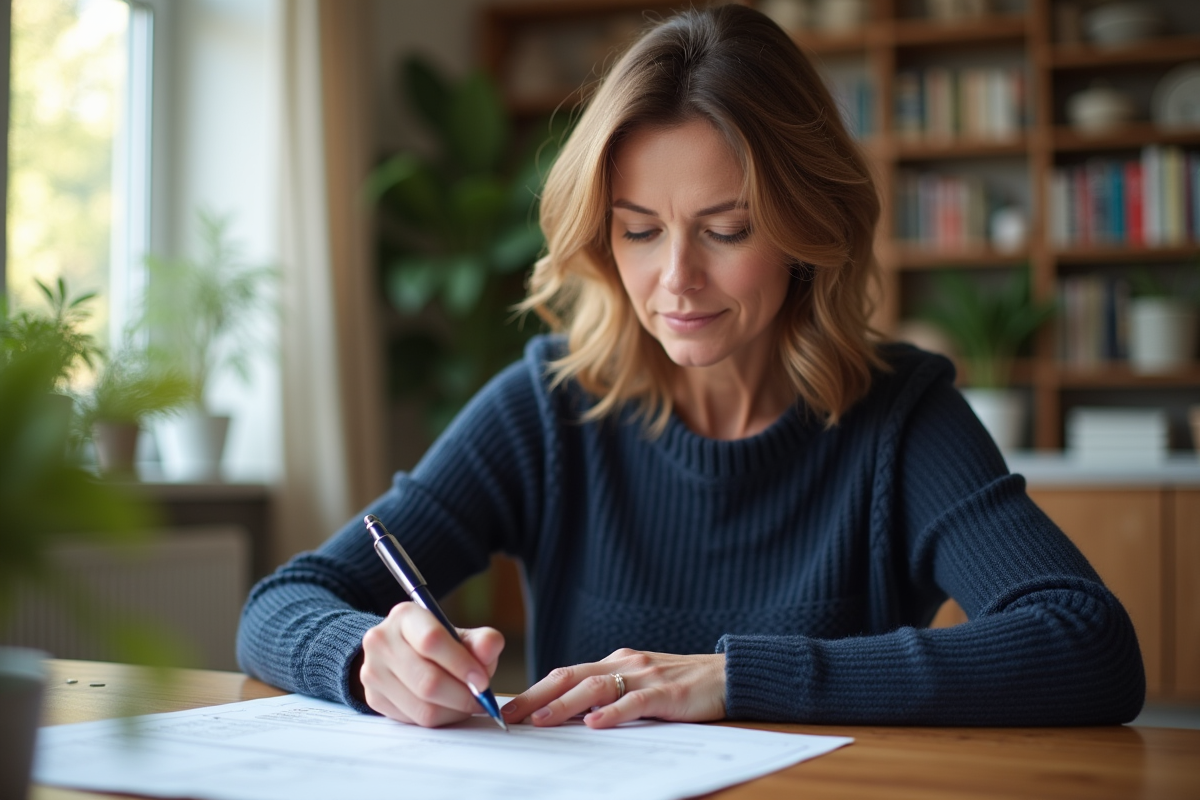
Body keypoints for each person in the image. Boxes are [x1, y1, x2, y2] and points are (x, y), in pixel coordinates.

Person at [237, 4, 1144, 729]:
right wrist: (367, 657)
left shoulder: (901, 419)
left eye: (727, 229)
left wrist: (733, 677)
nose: (676, 278)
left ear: (805, 231)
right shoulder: (549, 407)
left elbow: (1087, 644)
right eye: (639, 231)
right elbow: (282, 603)